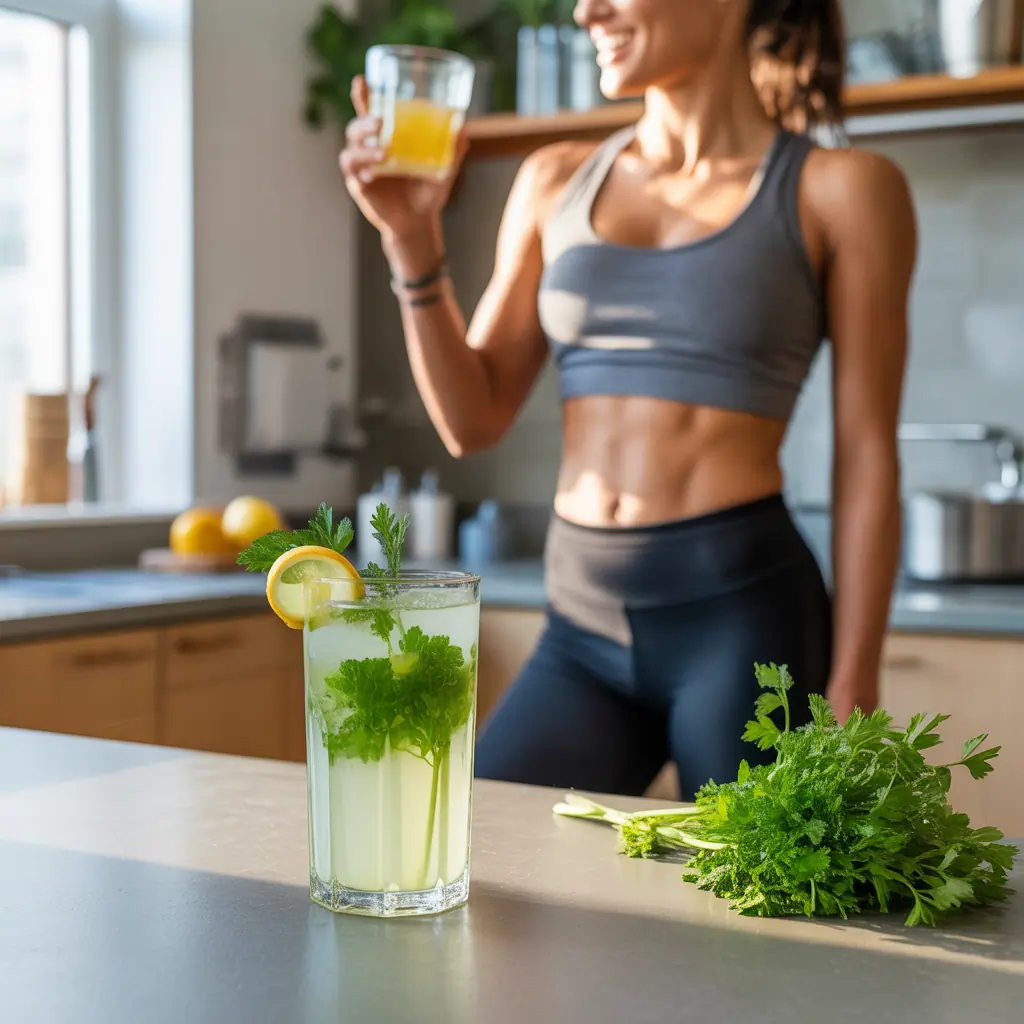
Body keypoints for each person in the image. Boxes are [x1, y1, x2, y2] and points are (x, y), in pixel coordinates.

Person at [340, 0, 917, 799]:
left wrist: (855, 677)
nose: (588, 10)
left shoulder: (843, 189)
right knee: (486, 852)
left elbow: (867, 453)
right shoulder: (554, 180)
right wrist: (411, 243)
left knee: (755, 881)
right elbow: (471, 420)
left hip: (743, 621)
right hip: (581, 623)